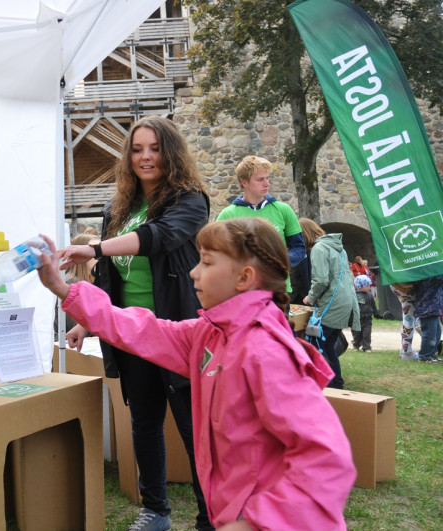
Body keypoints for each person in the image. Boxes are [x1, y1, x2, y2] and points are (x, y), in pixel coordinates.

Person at [36, 218, 357, 530]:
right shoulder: (210, 334)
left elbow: (326, 457)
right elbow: (140, 330)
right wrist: (65, 290)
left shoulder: (264, 352)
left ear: (244, 277)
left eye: (206, 262)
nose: (193, 272)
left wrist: (256, 522)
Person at [59, 115, 212, 531]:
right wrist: (89, 322)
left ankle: (209, 518)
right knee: (144, 422)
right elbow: (113, 278)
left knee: (193, 429)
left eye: (155, 148)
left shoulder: (190, 200)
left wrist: (95, 248)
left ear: (171, 153)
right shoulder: (117, 207)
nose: (145, 157)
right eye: (137, 149)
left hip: (179, 334)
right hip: (133, 336)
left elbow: (158, 238)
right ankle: (156, 510)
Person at [216, 155, 305, 294]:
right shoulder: (227, 215)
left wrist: (279, 261)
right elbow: (217, 254)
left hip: (278, 291)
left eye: (267, 178)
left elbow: (299, 248)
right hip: (241, 293)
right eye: (260, 179)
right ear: (244, 182)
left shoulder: (283, 210)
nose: (266, 184)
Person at [301, 219, 359, 389]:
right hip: (344, 301)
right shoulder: (337, 247)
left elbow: (321, 280)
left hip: (330, 304)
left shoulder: (319, 248)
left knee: (315, 342)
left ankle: (327, 383)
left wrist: (310, 298)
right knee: (327, 344)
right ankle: (336, 383)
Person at [53, 232, 96, 334]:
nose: (100, 259)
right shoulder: (71, 283)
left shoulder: (90, 280)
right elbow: (77, 326)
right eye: (95, 255)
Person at [290, 217, 325, 304]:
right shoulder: (325, 248)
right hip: (319, 298)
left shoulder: (306, 251)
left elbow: (299, 279)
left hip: (305, 299)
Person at [413, 275, 443, 364]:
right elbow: (437, 279)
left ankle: (431, 354)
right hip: (427, 307)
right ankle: (425, 356)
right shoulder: (428, 272)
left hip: (434, 306)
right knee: (430, 333)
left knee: (436, 332)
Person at [389, 282, 419, 360]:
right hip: (407, 285)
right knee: (409, 317)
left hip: (395, 283)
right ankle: (407, 352)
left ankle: (405, 349)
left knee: (407, 316)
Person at [352, 274, 377, 352]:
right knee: (356, 334)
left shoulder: (370, 295)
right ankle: (356, 345)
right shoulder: (354, 295)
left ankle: (366, 347)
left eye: (369, 286)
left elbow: (373, 305)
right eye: (367, 286)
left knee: (367, 334)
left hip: (367, 319)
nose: (369, 287)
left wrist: (376, 313)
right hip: (357, 319)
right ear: (360, 286)